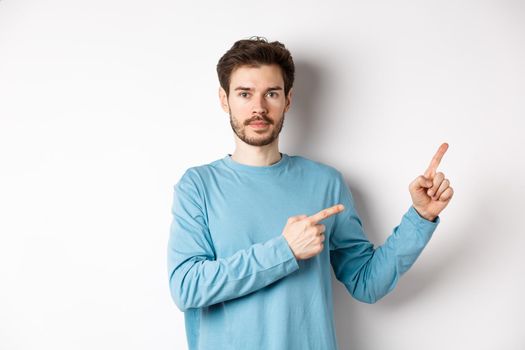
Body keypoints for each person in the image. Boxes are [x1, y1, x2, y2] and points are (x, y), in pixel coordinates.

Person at [167, 36, 454, 350]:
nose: (258, 107)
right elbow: (186, 287)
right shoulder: (198, 186)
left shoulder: (325, 183)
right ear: (225, 100)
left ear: (288, 100)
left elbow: (366, 283)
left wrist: (421, 217)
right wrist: (284, 250)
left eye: (271, 93)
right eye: (245, 93)